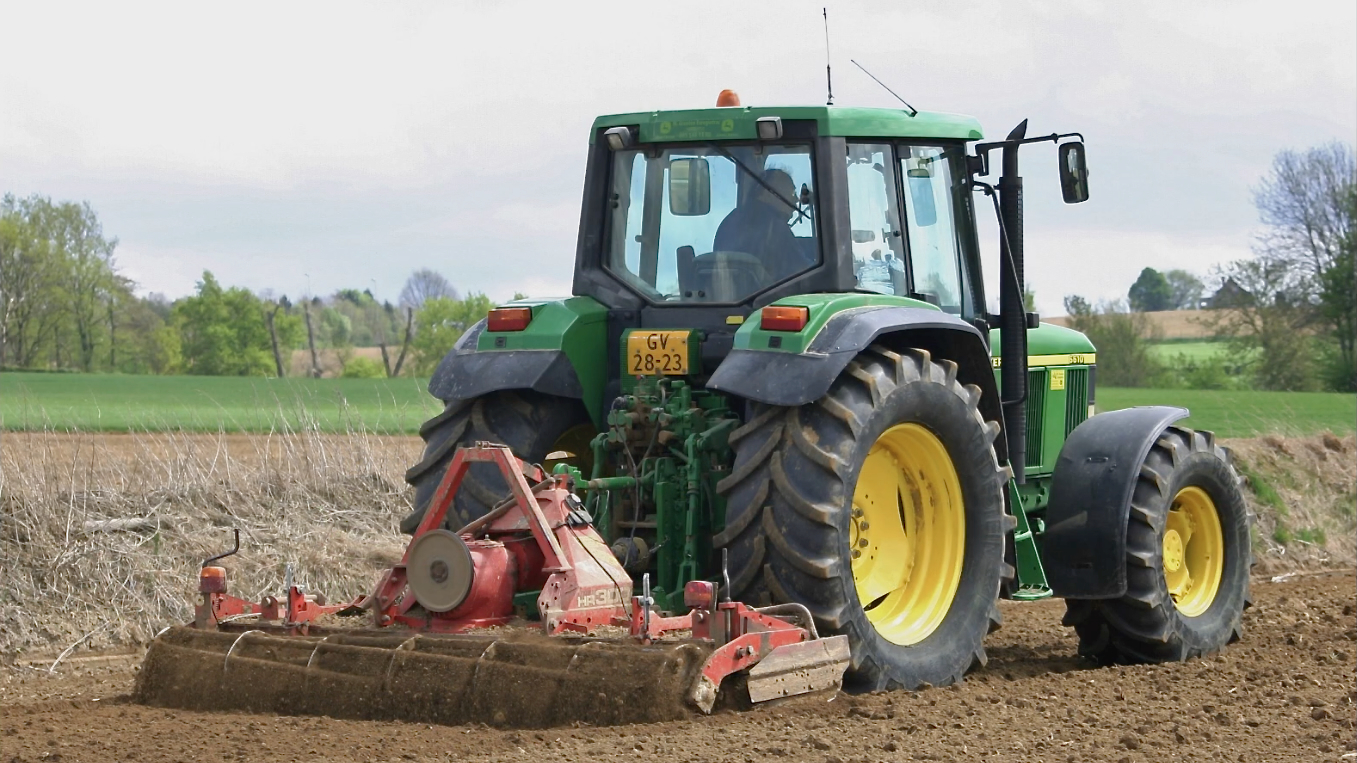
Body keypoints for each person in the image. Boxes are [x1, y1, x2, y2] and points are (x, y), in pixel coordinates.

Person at [713, 168, 802, 277]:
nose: (796, 199)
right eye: (792, 193)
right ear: (769, 193)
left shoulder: (728, 222)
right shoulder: (774, 227)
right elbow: (803, 270)